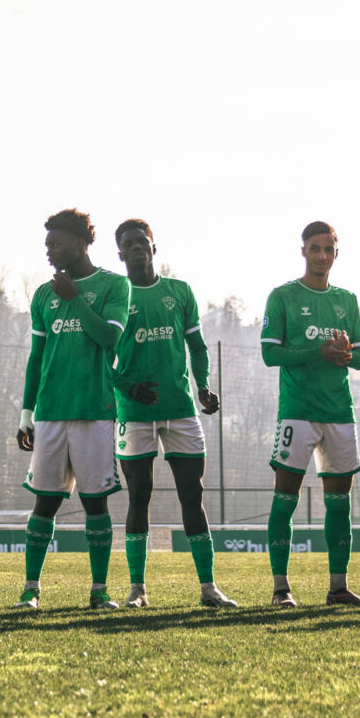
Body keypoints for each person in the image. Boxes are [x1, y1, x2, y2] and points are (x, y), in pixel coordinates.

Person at [112, 219, 236, 608]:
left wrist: (202, 385)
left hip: (181, 410)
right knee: (139, 497)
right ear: (120, 253)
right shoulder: (116, 294)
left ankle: (208, 588)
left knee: (192, 495)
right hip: (133, 412)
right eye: (129, 244)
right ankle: (137, 589)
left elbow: (197, 347)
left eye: (142, 242)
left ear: (153, 247)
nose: (137, 248)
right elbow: (100, 358)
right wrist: (128, 386)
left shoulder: (179, 291)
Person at [14, 209, 131, 610]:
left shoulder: (114, 286)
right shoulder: (43, 295)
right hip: (49, 413)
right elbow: (36, 357)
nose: (49, 251)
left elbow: (108, 338)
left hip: (95, 410)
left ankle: (99, 591)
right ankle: (30, 589)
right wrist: (25, 414)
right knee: (44, 502)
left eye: (56, 243)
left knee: (95, 502)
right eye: (46, 244)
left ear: (81, 243)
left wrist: (76, 298)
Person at [260, 221, 360, 607]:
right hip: (297, 412)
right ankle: (280, 589)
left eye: (328, 249)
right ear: (303, 251)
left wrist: (344, 355)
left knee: (340, 503)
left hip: (340, 412)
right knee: (285, 499)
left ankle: (338, 588)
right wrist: (318, 352)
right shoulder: (283, 296)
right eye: (315, 248)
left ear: (336, 254)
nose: (322, 255)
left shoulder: (348, 299)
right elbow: (270, 353)